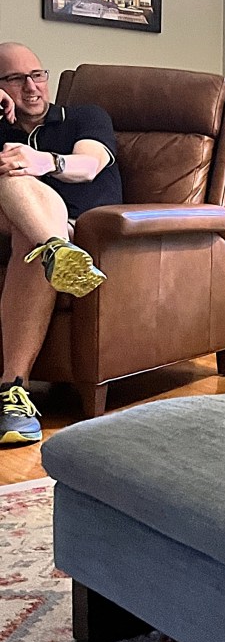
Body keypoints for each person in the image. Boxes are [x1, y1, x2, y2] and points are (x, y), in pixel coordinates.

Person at [0, 42, 123, 445]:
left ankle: (13, 389)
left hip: (77, 224)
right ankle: (53, 251)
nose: (31, 87)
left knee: (21, 201)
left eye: (37, 75)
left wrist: (45, 162)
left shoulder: (85, 116)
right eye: (15, 79)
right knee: (8, 171)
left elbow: (89, 165)